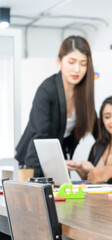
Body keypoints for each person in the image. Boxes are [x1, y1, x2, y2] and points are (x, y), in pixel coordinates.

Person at [15, 36, 97, 177]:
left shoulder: (83, 94)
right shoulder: (47, 90)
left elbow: (98, 130)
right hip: (33, 160)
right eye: (71, 62)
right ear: (59, 61)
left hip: (57, 161)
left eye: (83, 64)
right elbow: (40, 137)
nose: (77, 69)